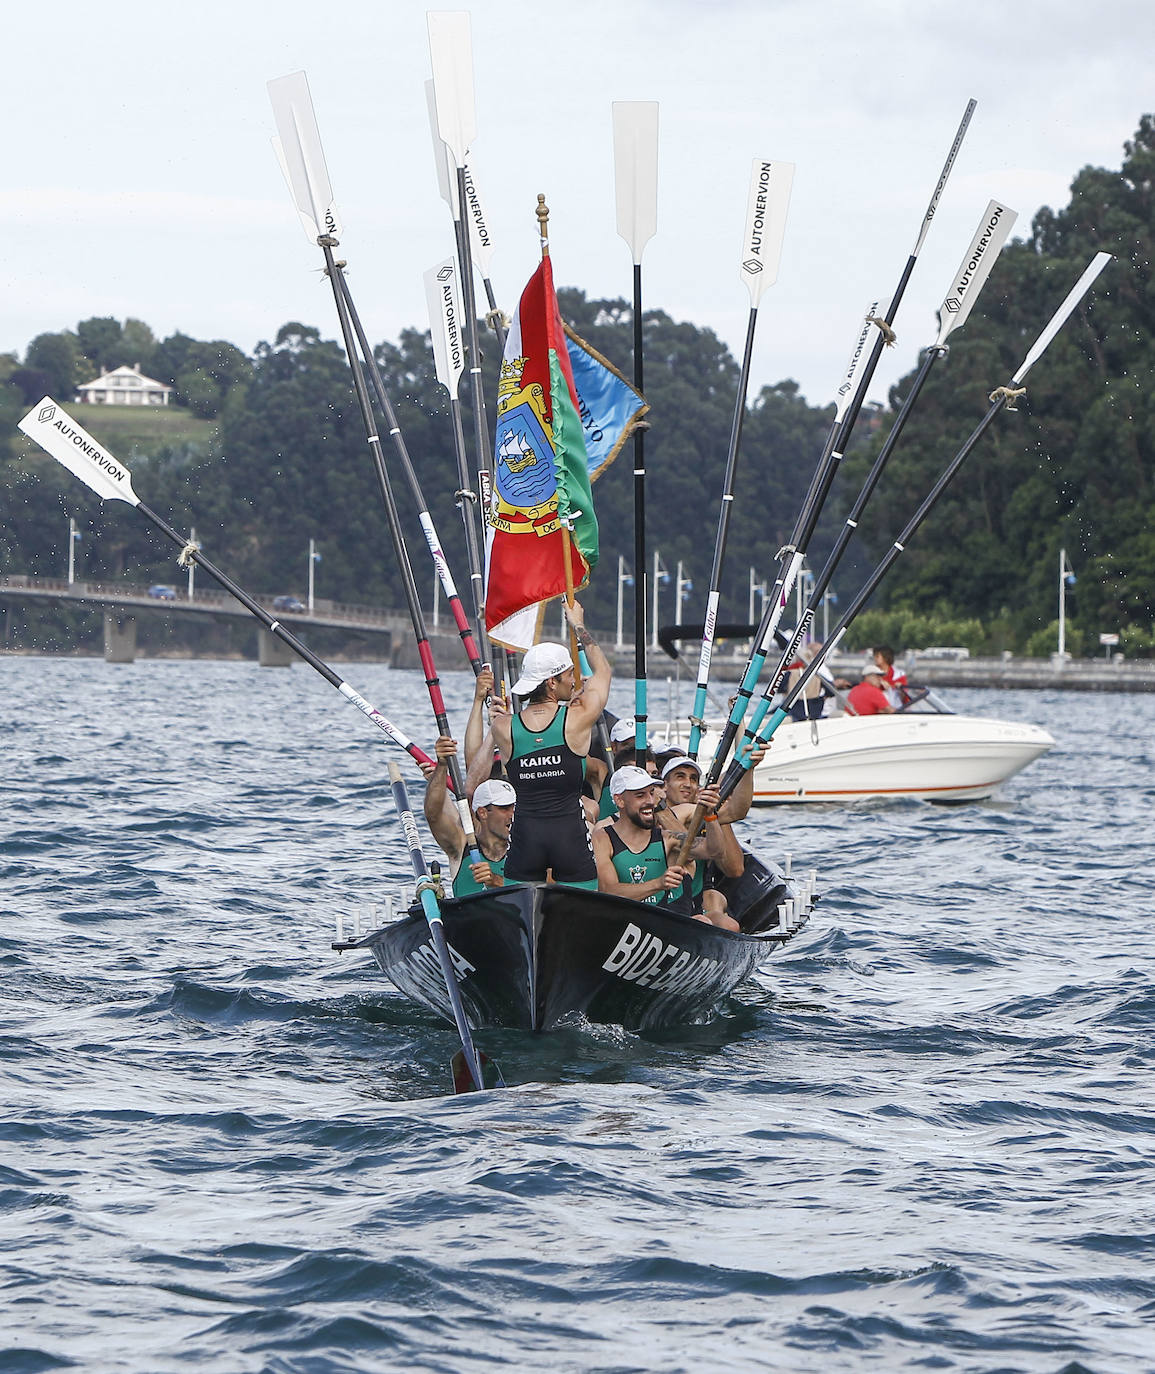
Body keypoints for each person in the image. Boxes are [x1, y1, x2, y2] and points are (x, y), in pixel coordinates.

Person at [490, 599, 611, 887]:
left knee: (522, 921)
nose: (574, 681)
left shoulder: (503, 726)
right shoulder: (577, 719)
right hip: (570, 843)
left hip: (524, 845)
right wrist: (578, 624)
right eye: (569, 675)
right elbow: (603, 672)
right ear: (552, 682)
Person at [593, 766, 738, 930]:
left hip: (669, 923)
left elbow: (715, 851)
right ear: (620, 800)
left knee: (702, 921)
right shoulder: (602, 839)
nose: (649, 801)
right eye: (640, 795)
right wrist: (659, 883)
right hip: (628, 924)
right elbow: (609, 892)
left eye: (651, 793)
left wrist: (710, 815)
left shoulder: (669, 838)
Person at [421, 735, 515, 896]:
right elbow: (434, 816)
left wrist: (496, 881)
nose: (512, 814)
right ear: (483, 813)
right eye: (504, 808)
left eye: (514, 807)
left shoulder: (526, 850)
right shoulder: (460, 846)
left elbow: (544, 888)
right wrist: (442, 765)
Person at [872, 645, 909, 709]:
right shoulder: (871, 673)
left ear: (886, 657)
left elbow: (904, 697)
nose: (875, 658)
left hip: (896, 710)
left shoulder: (899, 674)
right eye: (874, 656)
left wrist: (900, 689)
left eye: (877, 656)